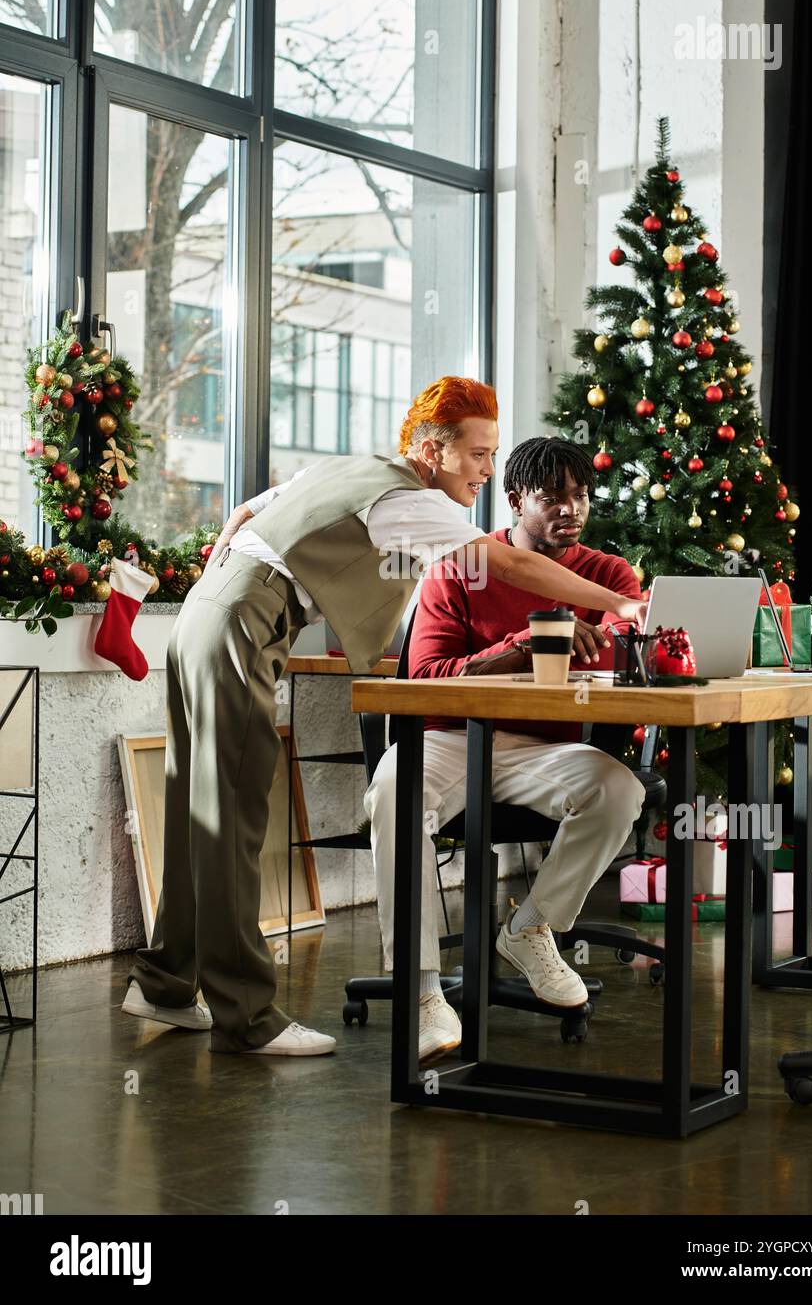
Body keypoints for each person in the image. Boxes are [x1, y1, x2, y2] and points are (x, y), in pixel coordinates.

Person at [123, 379, 646, 1056]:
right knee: (234, 813)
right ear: (433, 449)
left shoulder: (351, 470)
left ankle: (165, 983)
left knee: (199, 808)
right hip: (242, 625)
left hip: (210, 614)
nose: (488, 471)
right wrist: (620, 603)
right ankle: (245, 1019)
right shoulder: (407, 498)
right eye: (479, 454)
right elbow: (511, 563)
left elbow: (245, 515)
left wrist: (222, 586)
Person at [364, 436, 647, 1062]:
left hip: (544, 749)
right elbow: (427, 676)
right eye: (553, 498)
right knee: (393, 789)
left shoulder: (607, 574)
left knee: (618, 788)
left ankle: (530, 928)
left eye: (582, 497)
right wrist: (521, 647)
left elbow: (630, 658)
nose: (571, 510)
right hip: (452, 737)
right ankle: (421, 991)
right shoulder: (460, 566)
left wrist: (610, 646)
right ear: (515, 500)